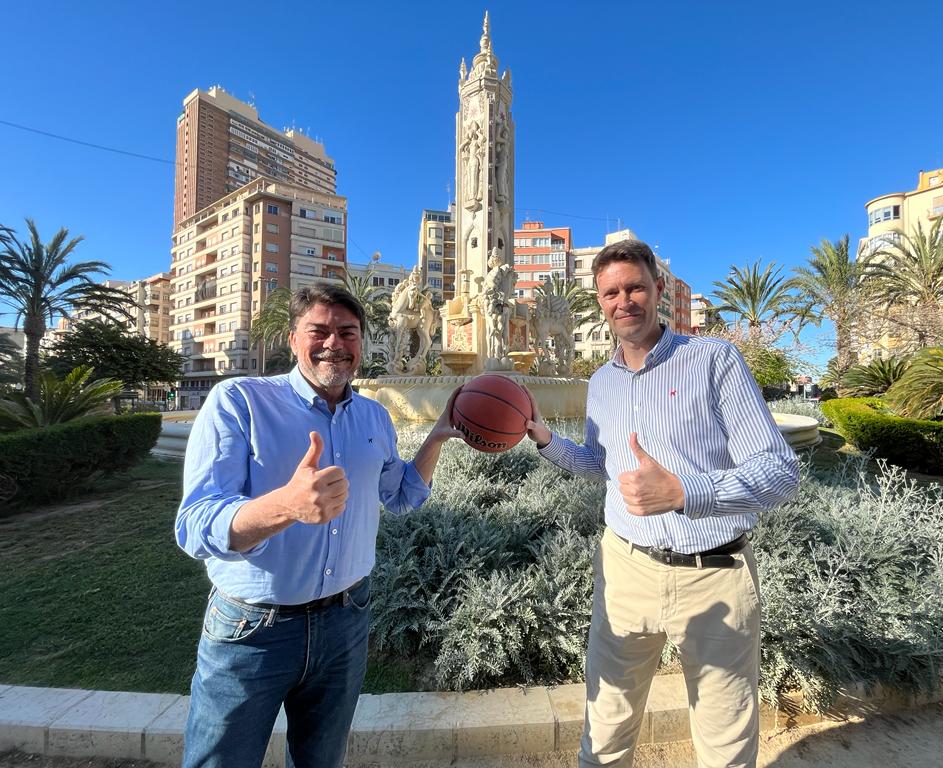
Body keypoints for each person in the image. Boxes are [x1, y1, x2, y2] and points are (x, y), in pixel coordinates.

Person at [525, 240, 798, 768]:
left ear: (658, 292)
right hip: (626, 571)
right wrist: (545, 440)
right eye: (611, 293)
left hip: (713, 573)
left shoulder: (713, 360)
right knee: (605, 730)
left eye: (634, 288)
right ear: (600, 302)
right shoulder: (601, 382)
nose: (623, 300)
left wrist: (684, 492)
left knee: (725, 741)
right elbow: (602, 467)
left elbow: (781, 472)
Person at [175, 282, 461, 768]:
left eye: (348, 332)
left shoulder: (374, 416)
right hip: (252, 628)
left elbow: (401, 497)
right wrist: (284, 506)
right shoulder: (239, 401)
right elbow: (195, 526)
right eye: (319, 330)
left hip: (346, 620)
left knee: (321, 761)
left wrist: (435, 438)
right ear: (292, 340)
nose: (335, 343)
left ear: (362, 342)